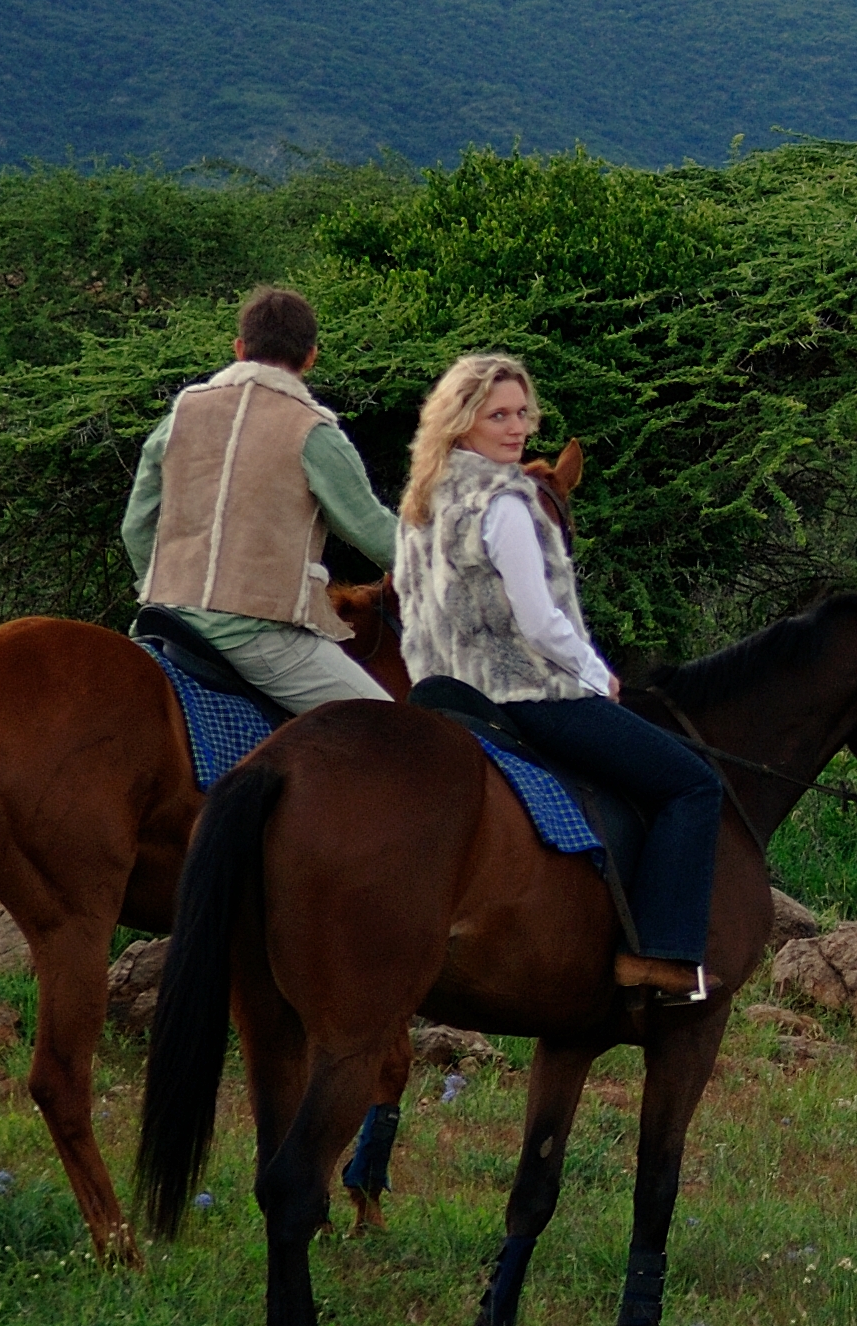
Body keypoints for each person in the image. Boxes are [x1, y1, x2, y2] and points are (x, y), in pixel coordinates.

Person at [395, 351, 725, 996]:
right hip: (528, 695)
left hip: (446, 696)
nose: (517, 428)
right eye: (498, 415)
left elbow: (412, 614)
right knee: (693, 785)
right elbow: (540, 622)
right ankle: (659, 956)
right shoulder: (506, 500)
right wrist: (596, 673)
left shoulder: (421, 503)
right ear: (462, 421)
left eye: (523, 413)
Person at [124, 285, 404, 713]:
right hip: (259, 639)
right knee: (394, 734)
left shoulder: (180, 415)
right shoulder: (315, 432)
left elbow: (136, 527)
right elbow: (375, 534)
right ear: (311, 355)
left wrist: (162, 587)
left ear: (239, 348)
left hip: (165, 622)